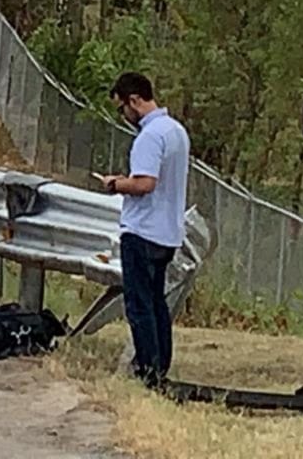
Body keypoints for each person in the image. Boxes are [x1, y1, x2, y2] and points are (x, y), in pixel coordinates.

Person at [99, 72, 190, 387]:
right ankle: (160, 364)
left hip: (142, 231)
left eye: (122, 107)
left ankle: (149, 372)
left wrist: (115, 184)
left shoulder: (149, 137)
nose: (124, 115)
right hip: (167, 231)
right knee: (156, 302)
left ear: (134, 100)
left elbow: (145, 183)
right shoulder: (176, 131)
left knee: (139, 305)